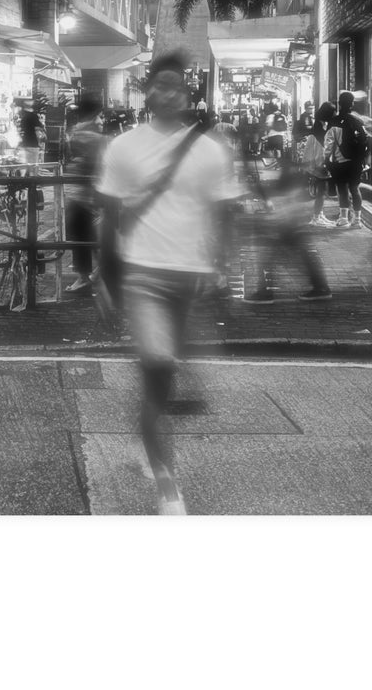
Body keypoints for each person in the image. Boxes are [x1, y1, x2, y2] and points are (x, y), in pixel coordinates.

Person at [96, 53, 241, 514]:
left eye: (176, 86)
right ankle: (167, 486)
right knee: (158, 365)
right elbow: (109, 216)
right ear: (147, 92)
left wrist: (223, 265)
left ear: (188, 94)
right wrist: (104, 277)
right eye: (159, 85)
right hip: (142, 275)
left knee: (163, 376)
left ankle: (149, 434)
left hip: (190, 279)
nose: (167, 93)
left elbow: (225, 212)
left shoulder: (210, 151)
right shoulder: (123, 148)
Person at [62, 96, 107, 295]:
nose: (101, 121)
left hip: (85, 195)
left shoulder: (82, 134)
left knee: (82, 235)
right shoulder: (88, 135)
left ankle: (85, 277)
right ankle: (95, 273)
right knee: (88, 235)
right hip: (87, 194)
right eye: (99, 116)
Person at [324, 90, 372, 229]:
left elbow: (329, 144)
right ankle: (357, 220)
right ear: (352, 104)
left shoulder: (334, 122)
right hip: (356, 161)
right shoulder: (358, 121)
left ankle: (344, 218)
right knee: (355, 189)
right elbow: (366, 141)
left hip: (340, 161)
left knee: (342, 189)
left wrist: (326, 159)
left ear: (339, 104)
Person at [302, 101, 337, 228]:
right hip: (319, 162)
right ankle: (316, 217)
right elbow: (322, 146)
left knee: (322, 190)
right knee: (322, 190)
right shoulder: (320, 128)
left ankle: (319, 215)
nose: (335, 114)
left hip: (317, 161)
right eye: (333, 112)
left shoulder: (320, 123)